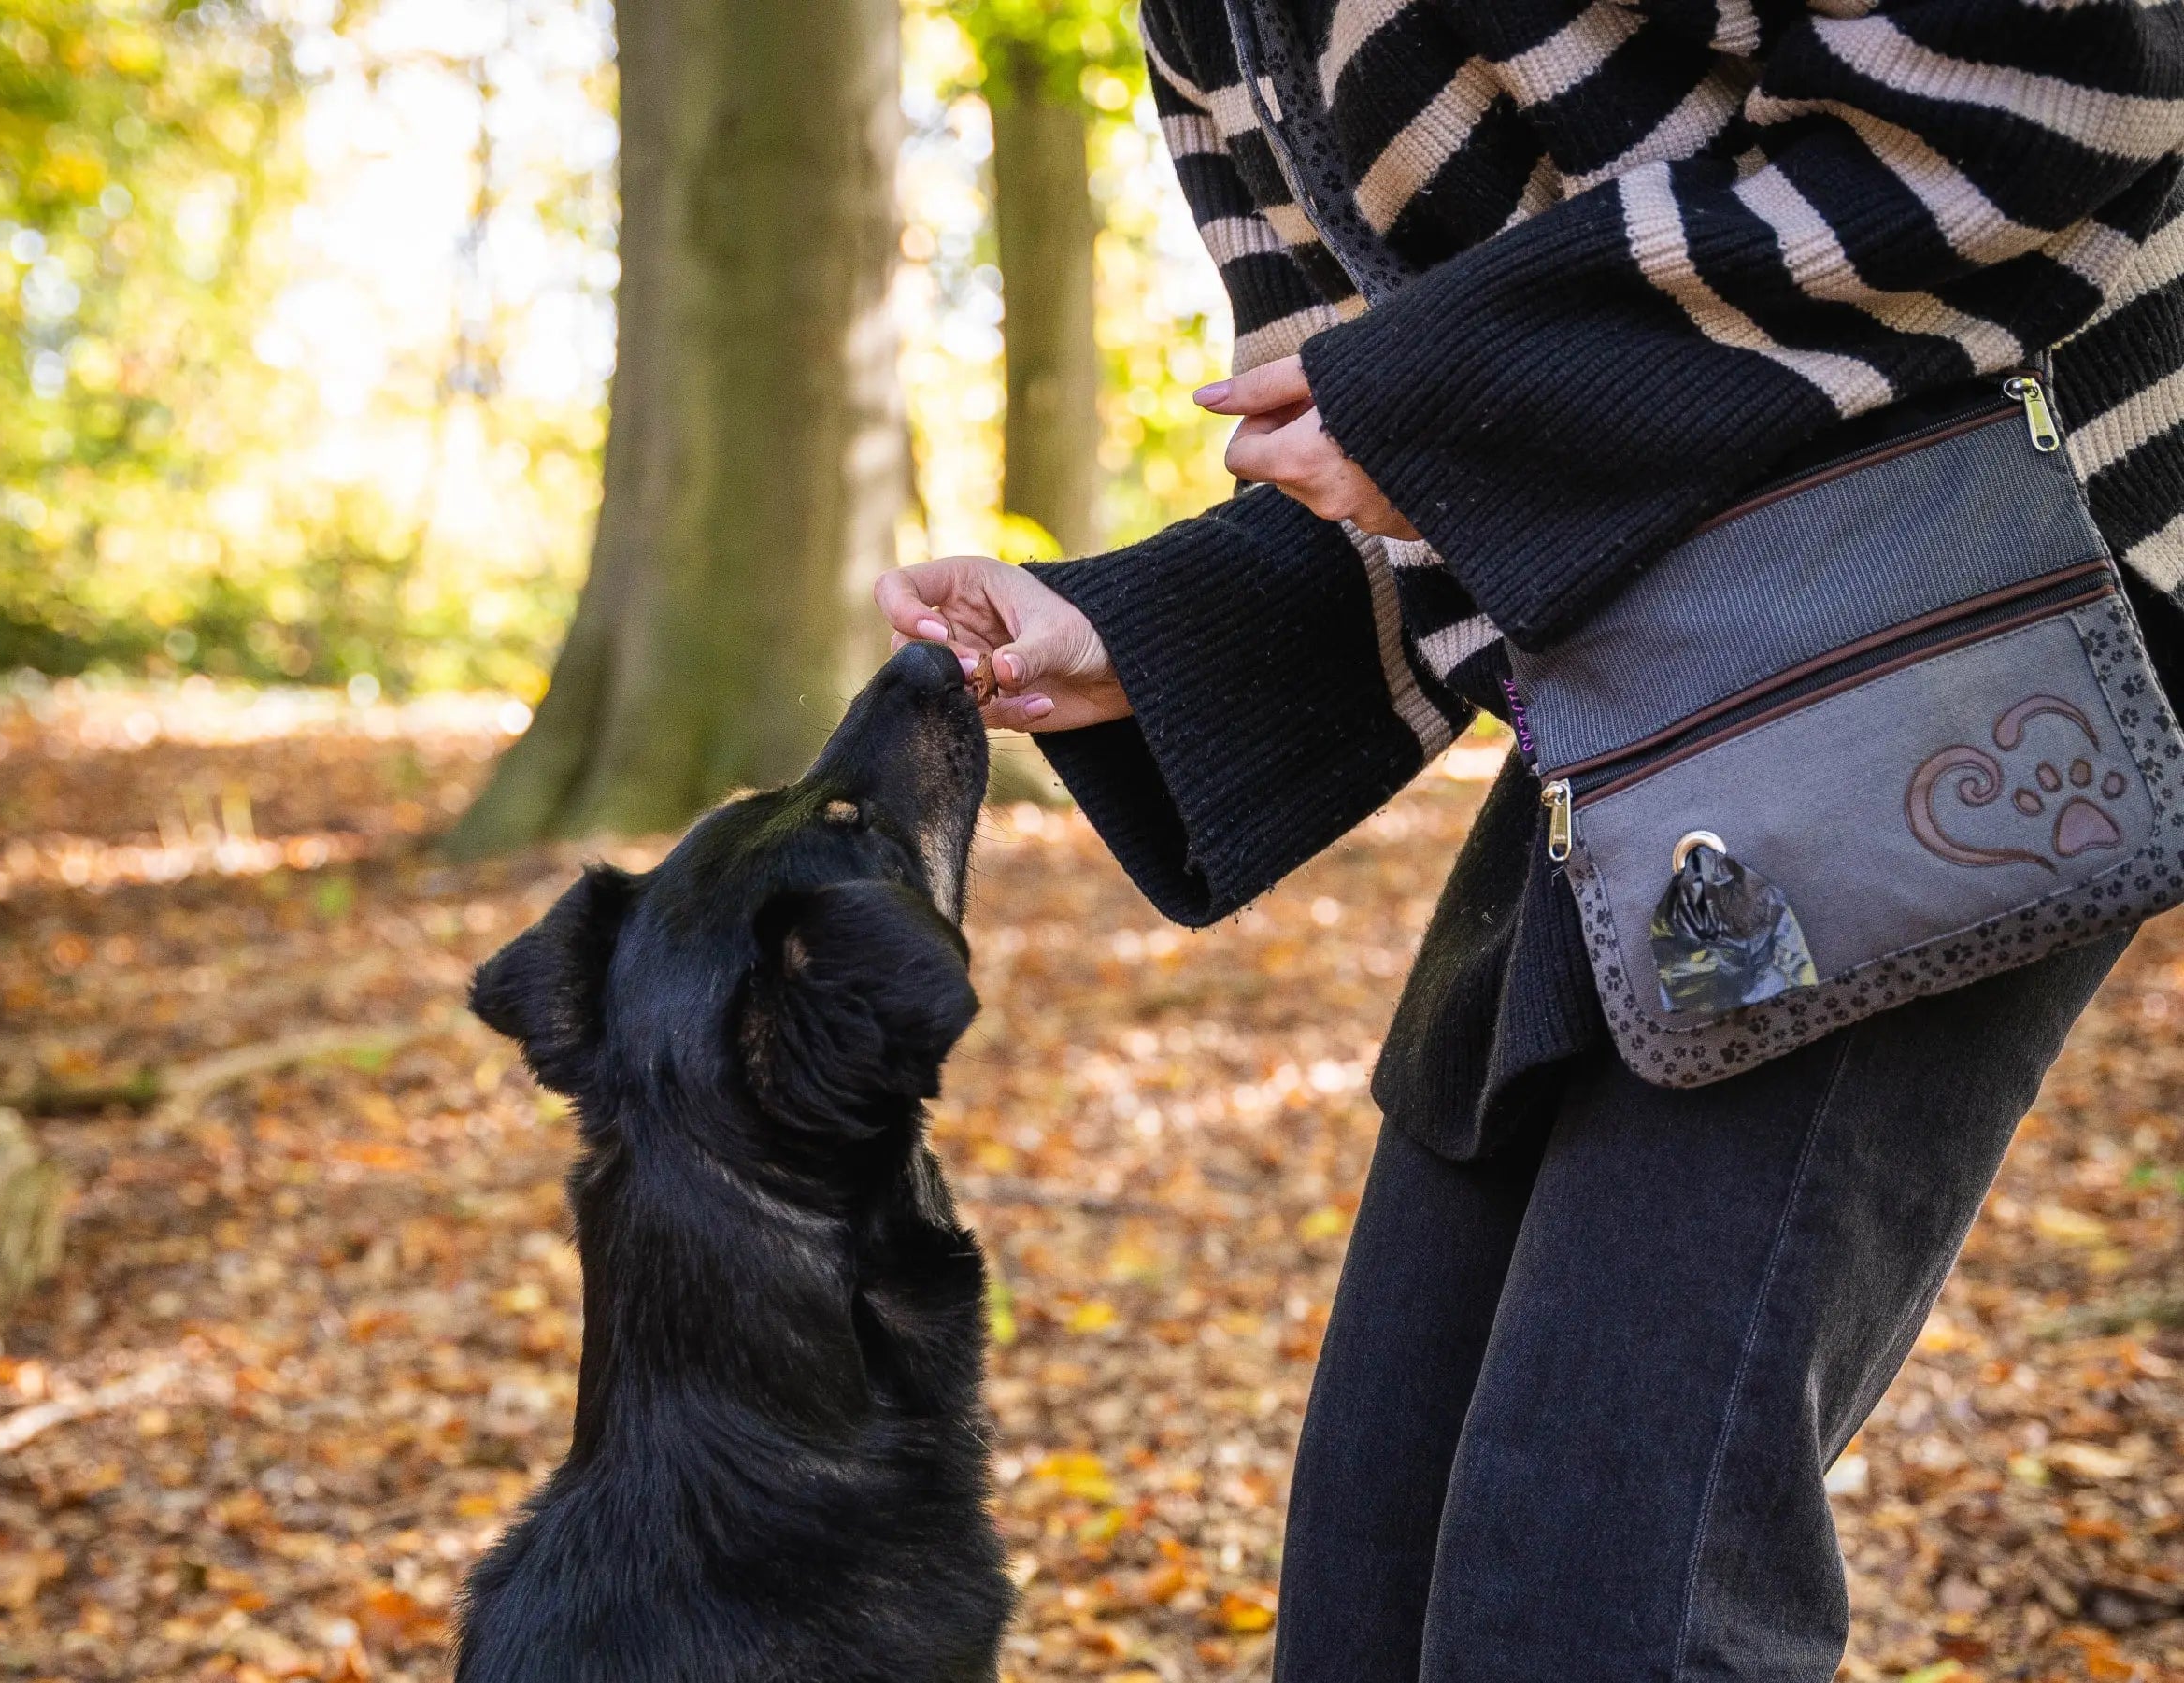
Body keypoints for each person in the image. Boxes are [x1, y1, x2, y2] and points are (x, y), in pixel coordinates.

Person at [876, 1, 2184, 1676]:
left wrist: (1438, 402)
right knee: (1376, 1558)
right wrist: (1129, 631)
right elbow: (1412, 465)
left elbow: (2059, 92)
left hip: (1965, 614)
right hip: (1644, 675)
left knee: (1603, 1578)